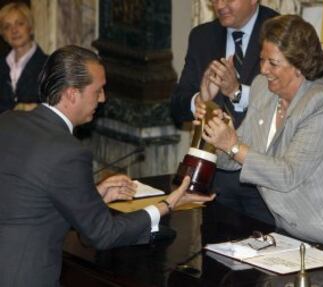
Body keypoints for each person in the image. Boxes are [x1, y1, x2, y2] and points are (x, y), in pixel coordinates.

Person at [0, 45, 214, 286]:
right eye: (98, 90)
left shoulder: (9, 121)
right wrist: (166, 205)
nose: (103, 99)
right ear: (72, 94)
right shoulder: (69, 152)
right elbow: (103, 234)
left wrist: (94, 195)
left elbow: (32, 198)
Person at [198, 15, 323, 254]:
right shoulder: (264, 90)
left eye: (273, 63)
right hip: (290, 234)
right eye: (262, 60)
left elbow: (287, 174)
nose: (263, 70)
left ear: (299, 65)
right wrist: (218, 135)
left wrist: (233, 146)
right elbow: (234, 160)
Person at [171, 0, 278, 225]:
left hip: (263, 181)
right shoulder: (202, 36)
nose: (220, 5)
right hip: (214, 178)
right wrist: (200, 101)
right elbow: (177, 107)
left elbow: (289, 100)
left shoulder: (279, 31)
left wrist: (237, 92)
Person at [0, 2, 47, 113]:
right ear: (3, 35)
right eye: (7, 27)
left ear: (30, 27)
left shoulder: (50, 65)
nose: (14, 30)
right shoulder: (1, 66)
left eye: (20, 24)